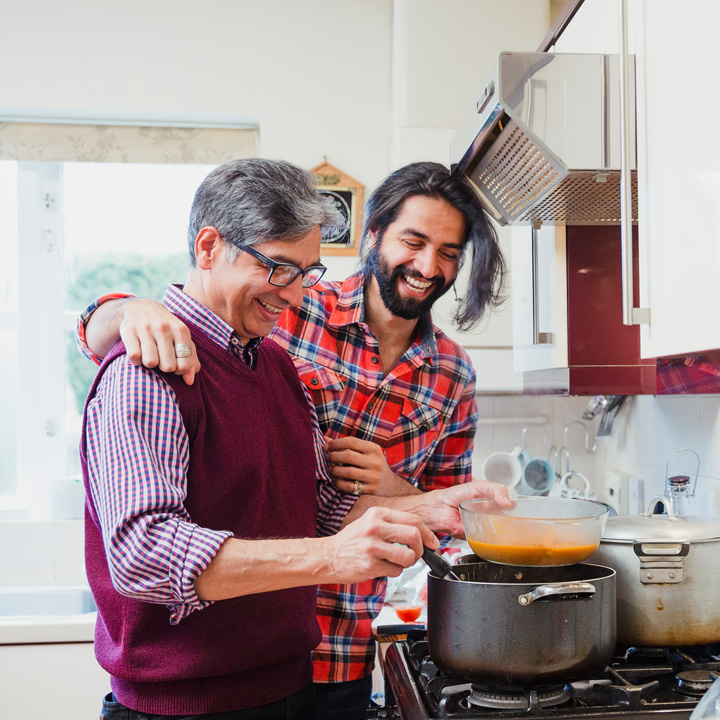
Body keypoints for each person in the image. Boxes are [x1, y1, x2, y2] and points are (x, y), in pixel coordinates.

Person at [79, 157, 510, 720]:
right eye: (280, 267)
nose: (295, 293)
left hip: (299, 678)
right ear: (209, 247)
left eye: (306, 272)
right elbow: (142, 555)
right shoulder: (150, 367)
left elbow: (318, 503)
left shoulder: (276, 363)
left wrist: (426, 502)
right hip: (187, 702)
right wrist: (121, 309)